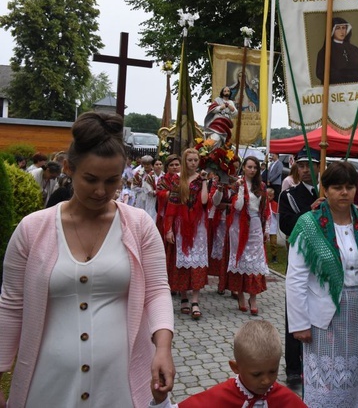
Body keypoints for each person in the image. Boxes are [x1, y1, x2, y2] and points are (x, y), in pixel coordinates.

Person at [0, 111, 174, 407]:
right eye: (90, 179)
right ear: (69, 168)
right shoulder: (32, 229)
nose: (101, 191)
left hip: (120, 382)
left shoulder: (140, 225)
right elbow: (11, 304)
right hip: (48, 383)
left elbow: (157, 290)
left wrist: (162, 347)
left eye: (112, 180)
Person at [286, 160, 358, 407]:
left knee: (353, 372)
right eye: (337, 187)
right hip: (324, 312)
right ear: (325, 189)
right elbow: (295, 277)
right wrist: (299, 323)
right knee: (325, 376)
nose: (344, 193)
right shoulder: (309, 225)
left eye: (349, 186)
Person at [149, 320, 305, 408]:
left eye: (273, 371)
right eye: (257, 374)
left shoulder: (285, 399)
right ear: (235, 367)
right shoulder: (220, 397)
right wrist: (160, 401)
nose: (266, 380)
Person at [278, 147, 323, 391]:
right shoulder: (290, 195)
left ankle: (318, 361)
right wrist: (310, 212)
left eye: (311, 165)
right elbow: (287, 226)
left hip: (327, 264)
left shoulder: (330, 193)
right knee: (295, 313)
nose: (307, 170)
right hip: (300, 261)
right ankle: (293, 368)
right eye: (302, 165)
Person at [164, 148, 210, 319]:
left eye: (195, 160)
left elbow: (205, 201)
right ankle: (184, 296)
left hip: (198, 226)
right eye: (189, 160)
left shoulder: (200, 179)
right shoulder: (177, 179)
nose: (192, 163)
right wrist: (168, 228)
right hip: (181, 224)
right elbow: (172, 206)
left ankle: (195, 300)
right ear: (185, 161)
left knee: (196, 261)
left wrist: (204, 181)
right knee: (183, 260)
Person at [226, 156, 269, 314]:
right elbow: (237, 207)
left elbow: (265, 208)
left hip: (255, 224)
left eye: (255, 168)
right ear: (243, 167)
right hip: (239, 226)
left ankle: (253, 297)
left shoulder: (261, 186)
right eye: (249, 167)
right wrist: (240, 188)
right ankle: (241, 295)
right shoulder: (237, 183)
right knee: (241, 259)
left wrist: (266, 228)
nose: (252, 170)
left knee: (255, 261)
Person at [315, 17, 358, 84]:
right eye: (338, 28)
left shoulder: (355, 49)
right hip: (334, 89)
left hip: (353, 87)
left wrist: (343, 73)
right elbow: (321, 73)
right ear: (332, 30)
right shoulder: (324, 52)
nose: (342, 31)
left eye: (343, 28)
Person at [134, 155, 158, 221]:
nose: (146, 166)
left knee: (151, 214)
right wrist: (143, 189)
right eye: (145, 164)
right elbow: (134, 187)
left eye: (148, 164)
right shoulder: (138, 173)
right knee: (140, 214)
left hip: (152, 198)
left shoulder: (155, 173)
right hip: (141, 197)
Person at [266, 188, 280, 264]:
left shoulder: (275, 204)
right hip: (265, 226)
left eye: (270, 196)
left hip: (273, 227)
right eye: (267, 196)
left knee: (273, 243)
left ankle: (274, 256)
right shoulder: (263, 203)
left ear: (273, 196)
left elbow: (277, 213)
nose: (269, 197)